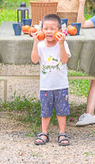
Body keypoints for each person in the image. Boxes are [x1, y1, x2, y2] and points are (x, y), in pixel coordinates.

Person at [30, 14, 71, 146]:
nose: (49, 32)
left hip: (61, 85)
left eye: (53, 29)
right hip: (46, 86)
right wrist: (35, 42)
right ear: (41, 30)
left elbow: (64, 60)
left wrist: (61, 44)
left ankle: (62, 133)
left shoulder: (63, 44)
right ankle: (44, 132)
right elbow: (34, 60)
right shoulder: (40, 45)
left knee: (62, 111)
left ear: (60, 30)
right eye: (46, 28)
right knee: (45, 111)